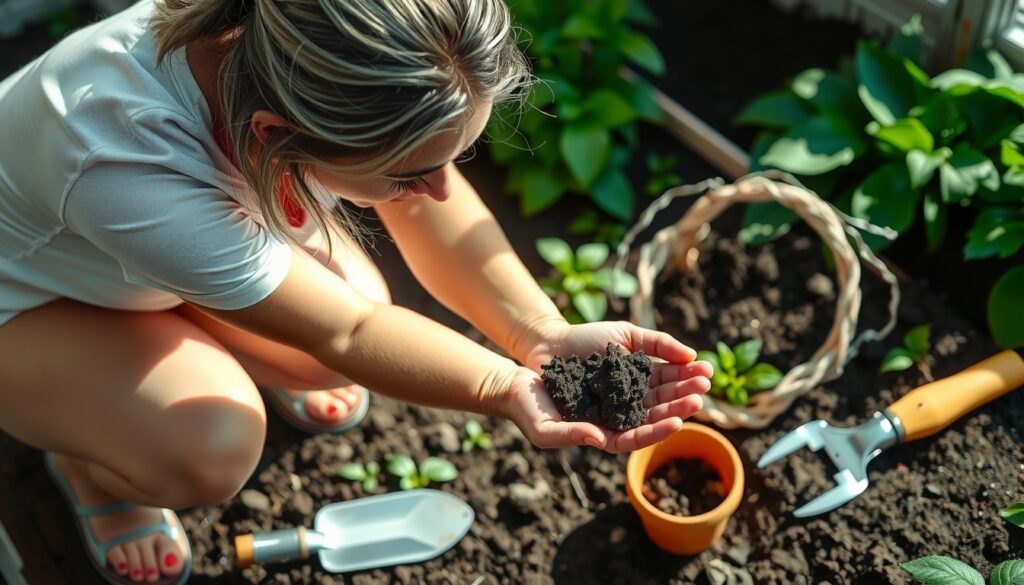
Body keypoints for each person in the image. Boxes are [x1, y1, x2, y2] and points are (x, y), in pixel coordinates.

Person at [0, 0, 713, 583]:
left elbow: (411, 235)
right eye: (411, 173)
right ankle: (93, 467)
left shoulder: (301, 45)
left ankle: (203, 314)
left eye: (452, 157)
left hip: (131, 257)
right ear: (278, 135)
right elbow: (349, 330)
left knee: (343, 321)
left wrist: (540, 333)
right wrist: (506, 384)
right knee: (210, 444)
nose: (437, 188)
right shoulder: (121, 158)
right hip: (31, 303)